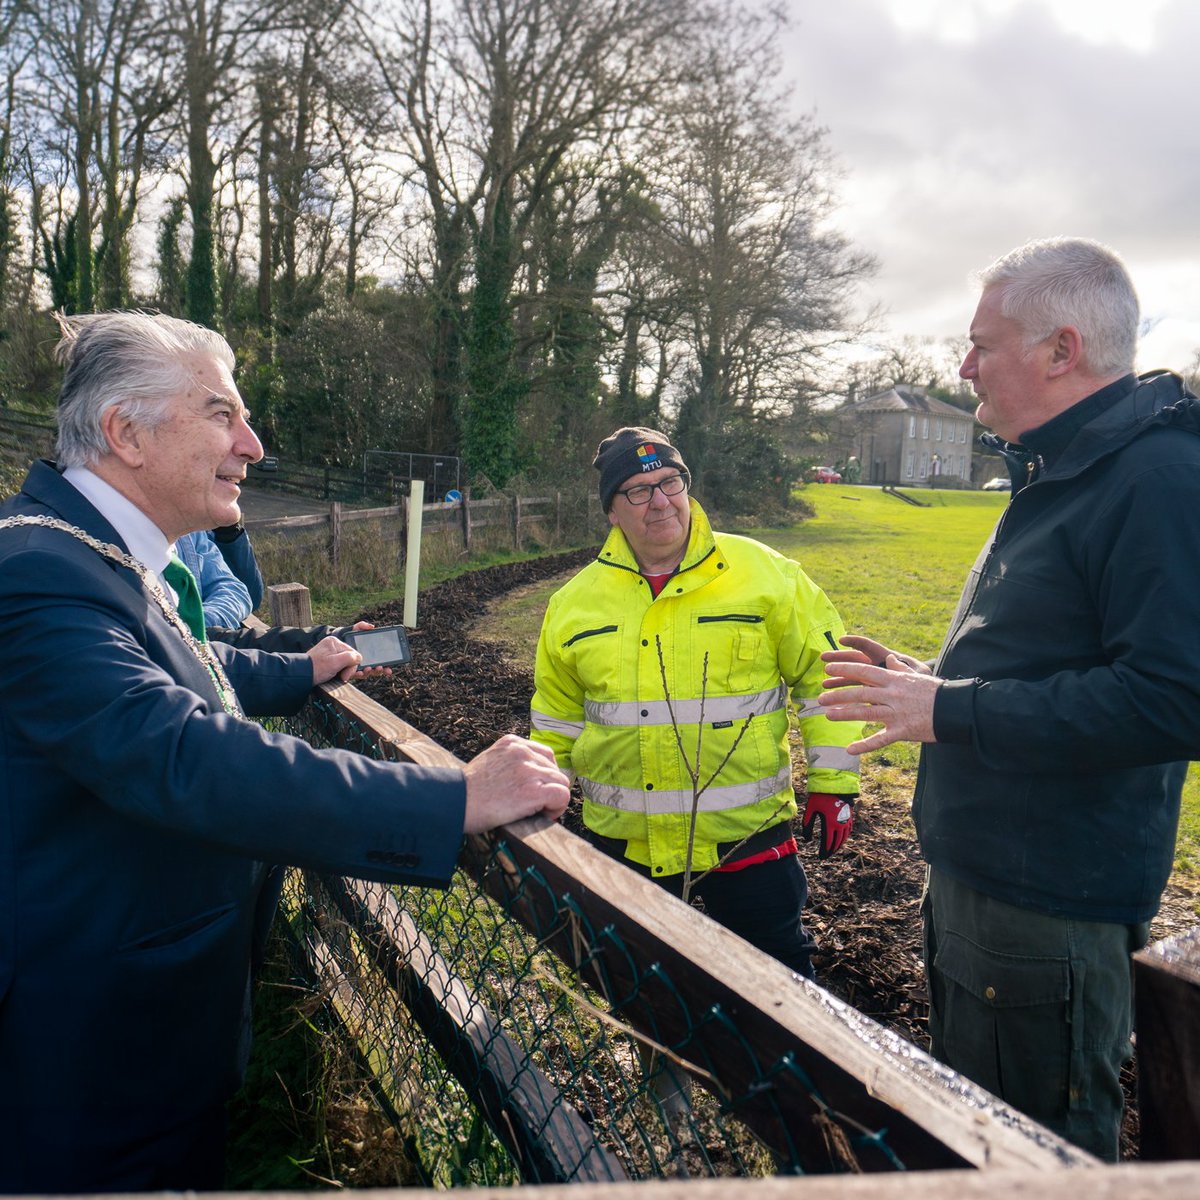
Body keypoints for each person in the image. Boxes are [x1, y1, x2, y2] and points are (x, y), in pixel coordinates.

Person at [0, 311, 569, 1193]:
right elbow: (176, 751)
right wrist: (447, 799)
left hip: (140, 1027)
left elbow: (178, 664)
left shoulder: (83, 555)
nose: (254, 445)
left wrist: (298, 670)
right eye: (222, 414)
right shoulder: (35, 574)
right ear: (125, 433)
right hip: (85, 1056)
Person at [818, 236, 1200, 1160]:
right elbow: (1048, 657)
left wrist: (948, 711)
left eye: (982, 343)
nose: (962, 366)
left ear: (1061, 351)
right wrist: (932, 683)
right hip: (989, 884)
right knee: (975, 1142)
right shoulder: (1068, 465)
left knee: (1034, 1157)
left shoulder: (1155, 480)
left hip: (1049, 905)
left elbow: (1172, 700)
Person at [530, 427, 863, 982]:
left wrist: (834, 782)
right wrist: (539, 796)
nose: (660, 501)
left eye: (670, 482)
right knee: (639, 987)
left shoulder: (765, 573)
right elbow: (555, 719)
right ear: (611, 511)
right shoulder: (573, 603)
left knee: (778, 989)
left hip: (748, 842)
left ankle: (767, 1075)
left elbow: (824, 679)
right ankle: (659, 1071)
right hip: (624, 844)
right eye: (638, 490)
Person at [177, 527, 257, 628]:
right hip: (187, 640)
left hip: (207, 637)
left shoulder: (191, 534)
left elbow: (237, 592)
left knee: (279, 639)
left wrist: (229, 532)